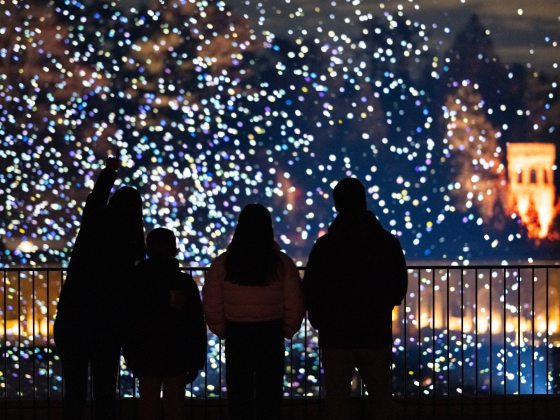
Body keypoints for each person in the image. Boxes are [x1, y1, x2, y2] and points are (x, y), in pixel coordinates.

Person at [303, 178, 407, 420]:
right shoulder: (386, 243)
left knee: (337, 400)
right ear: (364, 201)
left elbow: (311, 288)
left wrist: (321, 320)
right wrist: (381, 307)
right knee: (381, 398)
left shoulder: (326, 246)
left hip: (335, 335)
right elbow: (398, 284)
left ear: (337, 205)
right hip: (374, 332)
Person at [54, 156, 146, 420]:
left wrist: (109, 171)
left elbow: (94, 202)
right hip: (107, 326)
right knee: (105, 392)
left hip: (73, 319)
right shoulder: (132, 248)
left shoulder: (92, 228)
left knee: (74, 391)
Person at [202, 204, 305, 420]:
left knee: (239, 395)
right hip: (270, 332)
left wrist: (221, 329)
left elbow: (211, 301)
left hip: (237, 333)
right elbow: (295, 301)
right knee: (270, 395)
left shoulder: (224, 263)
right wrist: (287, 329)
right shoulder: (281, 263)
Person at [124, 228, 207, 420]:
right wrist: (196, 360)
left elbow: (128, 318)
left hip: (144, 352)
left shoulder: (135, 280)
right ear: (174, 249)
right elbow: (195, 323)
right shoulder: (184, 283)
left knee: (148, 405)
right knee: (175, 407)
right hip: (177, 353)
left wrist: (130, 354)